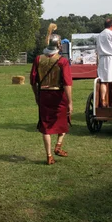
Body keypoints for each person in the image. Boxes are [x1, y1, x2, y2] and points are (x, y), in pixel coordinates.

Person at [30, 32, 73, 165]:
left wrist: (37, 95)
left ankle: (49, 155)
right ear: (59, 45)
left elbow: (33, 80)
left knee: (46, 126)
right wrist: (70, 101)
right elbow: (67, 83)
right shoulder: (63, 61)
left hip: (43, 94)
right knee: (64, 120)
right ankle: (58, 145)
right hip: (58, 95)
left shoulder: (38, 59)